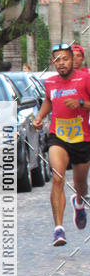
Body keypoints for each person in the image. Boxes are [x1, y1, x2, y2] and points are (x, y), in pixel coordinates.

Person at [32, 43, 90, 246]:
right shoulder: (50, 83)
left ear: (72, 60)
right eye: (57, 60)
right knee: (57, 177)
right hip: (59, 136)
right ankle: (58, 229)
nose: (61, 63)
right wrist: (39, 117)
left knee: (80, 184)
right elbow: (49, 100)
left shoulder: (85, 79)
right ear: (53, 62)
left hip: (82, 138)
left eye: (65, 59)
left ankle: (79, 202)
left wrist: (81, 103)